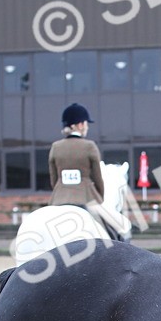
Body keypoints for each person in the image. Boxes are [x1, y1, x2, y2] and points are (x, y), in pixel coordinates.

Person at [49, 103, 124, 240]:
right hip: (86, 198)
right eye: (86, 123)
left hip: (58, 199)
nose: (87, 127)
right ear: (80, 125)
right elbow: (97, 177)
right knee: (118, 228)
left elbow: (54, 180)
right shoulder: (89, 146)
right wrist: (99, 197)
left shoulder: (56, 147)